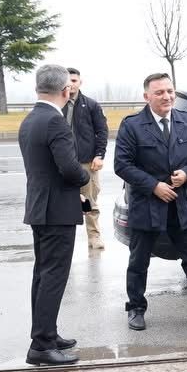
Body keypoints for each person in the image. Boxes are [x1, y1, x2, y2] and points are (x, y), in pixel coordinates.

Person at [114, 72, 187, 330]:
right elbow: (122, 165)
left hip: (180, 204)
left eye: (170, 91)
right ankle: (136, 308)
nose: (166, 96)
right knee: (139, 262)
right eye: (159, 92)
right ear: (146, 96)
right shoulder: (132, 125)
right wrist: (153, 186)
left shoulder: (186, 120)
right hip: (147, 205)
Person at [17, 64, 90, 366]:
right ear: (66, 90)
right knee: (53, 277)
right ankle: (42, 345)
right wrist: (85, 178)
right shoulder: (55, 122)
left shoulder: (30, 119)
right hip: (57, 211)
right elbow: (69, 169)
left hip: (39, 208)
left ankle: (46, 333)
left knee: (43, 275)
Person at [64, 67, 110, 250]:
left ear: (80, 82)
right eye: (67, 80)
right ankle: (65, 241)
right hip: (64, 162)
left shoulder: (91, 105)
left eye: (74, 80)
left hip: (86, 162)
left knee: (89, 201)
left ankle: (94, 237)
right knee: (64, 202)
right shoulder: (57, 105)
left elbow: (102, 131)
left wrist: (99, 155)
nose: (71, 84)